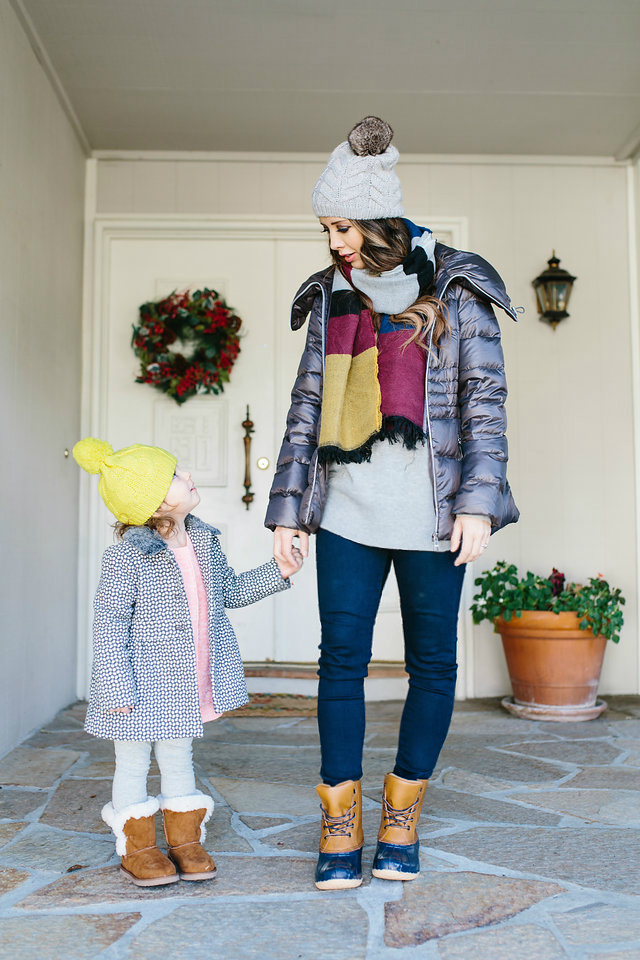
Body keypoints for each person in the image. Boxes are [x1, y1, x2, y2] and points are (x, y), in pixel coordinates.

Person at [265, 117, 519, 891]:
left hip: (435, 515)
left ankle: (402, 811)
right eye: (327, 227)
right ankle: (339, 820)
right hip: (348, 511)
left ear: (376, 218)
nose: (334, 240)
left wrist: (478, 503)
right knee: (340, 660)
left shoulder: (457, 283)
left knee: (431, 664)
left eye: (342, 225)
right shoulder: (333, 294)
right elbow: (308, 402)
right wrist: (287, 508)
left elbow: (484, 402)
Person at [74, 437, 302, 887]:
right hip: (137, 687)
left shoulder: (203, 539)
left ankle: (185, 842)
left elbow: (229, 593)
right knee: (134, 763)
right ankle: (138, 848)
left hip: (184, 681)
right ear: (155, 498)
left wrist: (279, 572)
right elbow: (109, 621)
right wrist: (115, 686)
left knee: (179, 758)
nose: (189, 476)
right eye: (176, 475)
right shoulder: (126, 556)